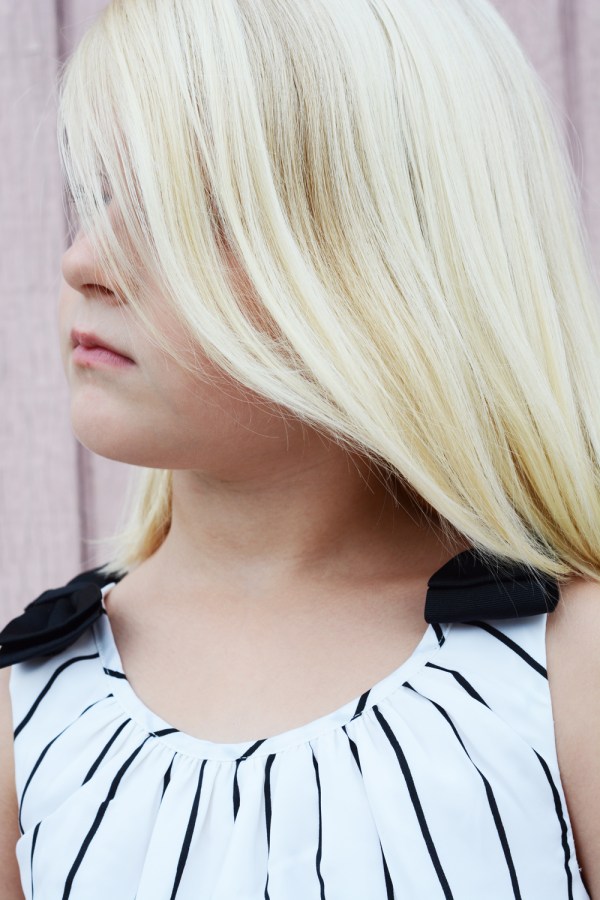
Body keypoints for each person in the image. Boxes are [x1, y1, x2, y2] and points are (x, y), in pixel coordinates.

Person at [1, 0, 599, 896]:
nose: (85, 259)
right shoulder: (29, 707)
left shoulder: (566, 667)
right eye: (100, 193)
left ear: (391, 255)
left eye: (191, 208)